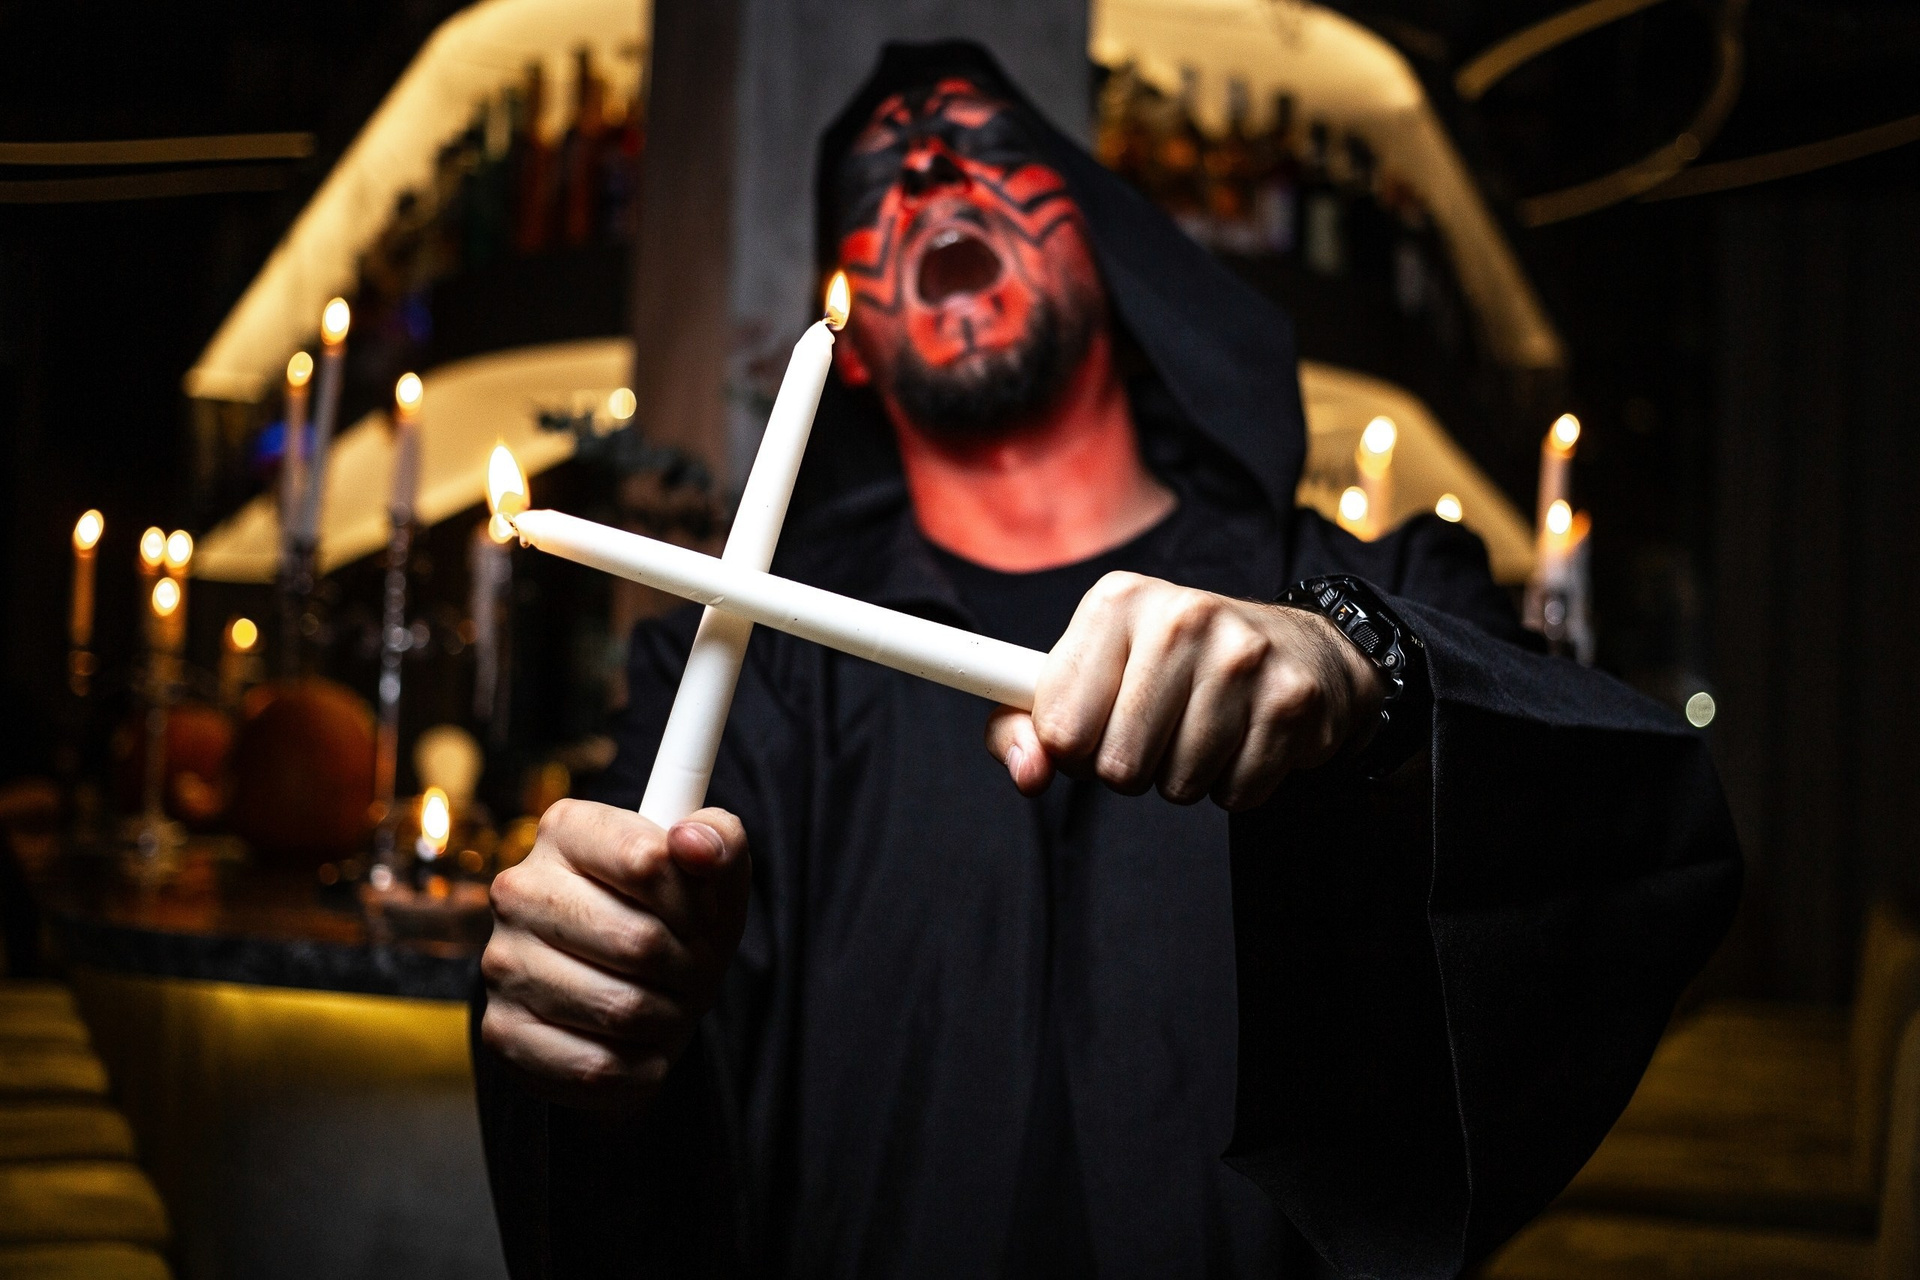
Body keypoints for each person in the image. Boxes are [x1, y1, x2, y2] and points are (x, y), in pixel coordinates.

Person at [472, 42, 1741, 1279]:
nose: (925, 177)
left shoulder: (1366, 594)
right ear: (853, 343)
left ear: (1103, 241)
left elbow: (1643, 830)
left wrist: (1361, 675)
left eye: (984, 146)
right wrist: (585, 1004)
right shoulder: (750, 670)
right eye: (875, 185)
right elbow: (628, 1123)